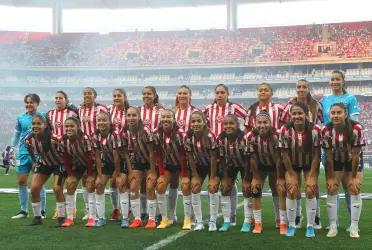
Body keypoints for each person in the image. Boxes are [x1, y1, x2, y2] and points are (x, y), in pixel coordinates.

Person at [320, 70, 360, 232]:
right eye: (332, 79)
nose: (334, 82)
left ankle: (352, 222)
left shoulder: (351, 99)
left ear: (343, 81)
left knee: (349, 186)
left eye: (338, 79)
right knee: (332, 185)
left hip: (347, 148)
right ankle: (333, 222)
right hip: (329, 149)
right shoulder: (324, 100)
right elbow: (319, 121)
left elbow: (354, 123)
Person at [204, 84, 247, 226]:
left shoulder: (235, 107)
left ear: (228, 94)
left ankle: (232, 215)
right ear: (214, 94)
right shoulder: (209, 109)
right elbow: (202, 124)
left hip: (231, 152)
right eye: (217, 92)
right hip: (215, 152)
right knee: (214, 183)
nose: (220, 95)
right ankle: (213, 217)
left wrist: (244, 136)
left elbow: (248, 119)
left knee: (230, 183)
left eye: (223, 92)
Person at [282, 79, 323, 229]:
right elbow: (284, 125)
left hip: (310, 149)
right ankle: (297, 216)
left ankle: (316, 216)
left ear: (308, 89)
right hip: (293, 150)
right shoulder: (289, 106)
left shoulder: (316, 105)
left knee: (312, 186)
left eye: (304, 87)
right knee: (294, 186)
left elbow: (321, 123)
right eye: (298, 87)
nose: (301, 89)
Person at [245, 82, 286, 228]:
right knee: (254, 186)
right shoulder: (252, 109)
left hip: (275, 152)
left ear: (271, 93)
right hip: (259, 154)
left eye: (266, 90)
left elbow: (285, 127)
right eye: (260, 90)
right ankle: (253, 220)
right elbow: (247, 131)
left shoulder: (279, 108)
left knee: (277, 187)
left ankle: (279, 219)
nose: (263, 92)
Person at [322, 103, 365, 239]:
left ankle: (354, 227)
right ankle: (333, 226)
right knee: (332, 188)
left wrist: (353, 177)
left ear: (345, 114)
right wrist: (331, 177)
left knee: (354, 188)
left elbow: (356, 155)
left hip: (352, 159)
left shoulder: (356, 128)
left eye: (339, 112)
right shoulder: (326, 130)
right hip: (335, 160)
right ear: (329, 115)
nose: (335, 115)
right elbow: (328, 156)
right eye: (333, 113)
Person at [25, 115, 67, 227]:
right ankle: (37, 217)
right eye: (34, 123)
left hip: (59, 164)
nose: (36, 126)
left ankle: (61, 217)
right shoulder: (28, 139)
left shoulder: (55, 138)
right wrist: (34, 161)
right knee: (34, 189)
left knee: (57, 188)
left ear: (45, 125)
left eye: (39, 123)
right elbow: (29, 149)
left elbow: (67, 151)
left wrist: (69, 166)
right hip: (44, 164)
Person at [11, 94, 47, 219]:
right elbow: (16, 136)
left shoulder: (43, 116)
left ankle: (42, 211)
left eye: (31, 102)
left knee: (38, 184)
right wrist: (12, 148)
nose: (29, 104)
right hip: (23, 154)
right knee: (21, 182)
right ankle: (24, 211)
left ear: (37, 103)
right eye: (27, 102)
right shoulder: (21, 118)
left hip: (37, 153)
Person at [91, 111, 130, 227]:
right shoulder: (95, 135)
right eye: (99, 120)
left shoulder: (115, 134)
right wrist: (99, 176)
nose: (101, 122)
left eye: (104, 120)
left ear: (110, 122)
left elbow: (116, 156)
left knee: (120, 184)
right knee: (98, 185)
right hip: (106, 162)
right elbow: (97, 156)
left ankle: (125, 218)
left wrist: (117, 175)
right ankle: (101, 218)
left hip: (120, 161)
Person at [121, 107, 157, 229]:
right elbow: (126, 152)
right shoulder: (124, 132)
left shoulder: (145, 131)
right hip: (137, 161)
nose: (131, 118)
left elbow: (152, 152)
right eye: (129, 115)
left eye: (133, 115)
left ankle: (151, 219)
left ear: (139, 117)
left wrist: (152, 171)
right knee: (133, 186)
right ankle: (137, 219)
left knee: (150, 186)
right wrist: (130, 171)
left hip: (151, 162)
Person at [56, 117, 96, 227]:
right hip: (77, 165)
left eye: (72, 126)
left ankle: (92, 216)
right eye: (67, 126)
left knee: (90, 185)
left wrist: (91, 174)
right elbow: (65, 159)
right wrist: (69, 175)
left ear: (78, 127)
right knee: (70, 185)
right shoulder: (63, 140)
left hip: (90, 165)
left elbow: (89, 157)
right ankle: (69, 218)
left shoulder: (84, 138)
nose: (69, 128)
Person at [184, 111, 218, 231]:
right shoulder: (188, 136)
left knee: (212, 188)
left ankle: (212, 221)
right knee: (195, 187)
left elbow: (214, 158)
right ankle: (199, 221)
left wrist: (213, 178)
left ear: (204, 122)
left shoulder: (210, 136)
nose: (196, 123)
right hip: (200, 165)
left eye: (199, 121)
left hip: (213, 165)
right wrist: (196, 176)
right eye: (193, 121)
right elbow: (190, 157)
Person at [153, 109, 188, 229]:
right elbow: (158, 153)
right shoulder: (157, 133)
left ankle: (187, 218)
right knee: (161, 185)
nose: (165, 119)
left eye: (168, 117)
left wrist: (183, 173)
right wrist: (161, 172)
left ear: (174, 119)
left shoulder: (180, 134)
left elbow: (183, 154)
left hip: (182, 165)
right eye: (163, 117)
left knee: (184, 186)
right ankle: (165, 218)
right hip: (168, 164)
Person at [47, 91, 79, 220]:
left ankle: (73, 208)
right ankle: (59, 208)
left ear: (66, 100)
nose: (58, 100)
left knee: (70, 180)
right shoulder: (50, 114)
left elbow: (79, 123)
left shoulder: (72, 112)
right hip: (56, 151)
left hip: (70, 149)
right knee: (58, 183)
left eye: (61, 98)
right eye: (56, 98)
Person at [78, 87, 108, 220]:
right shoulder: (79, 109)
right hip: (84, 148)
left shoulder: (101, 109)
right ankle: (89, 209)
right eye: (84, 93)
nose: (87, 95)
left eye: (89, 93)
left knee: (97, 178)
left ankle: (98, 210)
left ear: (95, 96)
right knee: (86, 179)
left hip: (99, 147)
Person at [217, 114, 250, 232]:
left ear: (237, 125)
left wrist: (246, 179)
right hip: (231, 165)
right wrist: (226, 177)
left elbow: (248, 160)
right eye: (226, 123)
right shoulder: (220, 138)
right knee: (225, 188)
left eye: (231, 123)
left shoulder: (244, 138)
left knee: (247, 189)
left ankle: (247, 221)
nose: (228, 126)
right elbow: (221, 158)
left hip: (245, 165)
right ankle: (227, 220)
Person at [139, 86, 165, 224]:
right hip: (141, 151)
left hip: (157, 151)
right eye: (144, 94)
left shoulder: (161, 110)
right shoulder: (138, 110)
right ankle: (144, 213)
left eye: (149, 93)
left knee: (154, 184)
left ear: (154, 95)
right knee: (142, 184)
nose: (146, 96)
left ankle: (161, 214)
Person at [107, 88, 130, 221]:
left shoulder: (130, 111)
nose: (116, 98)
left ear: (125, 97)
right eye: (114, 96)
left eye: (119, 96)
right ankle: (116, 208)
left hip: (127, 150)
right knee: (113, 181)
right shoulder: (109, 109)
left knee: (124, 181)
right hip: (112, 150)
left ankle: (127, 209)